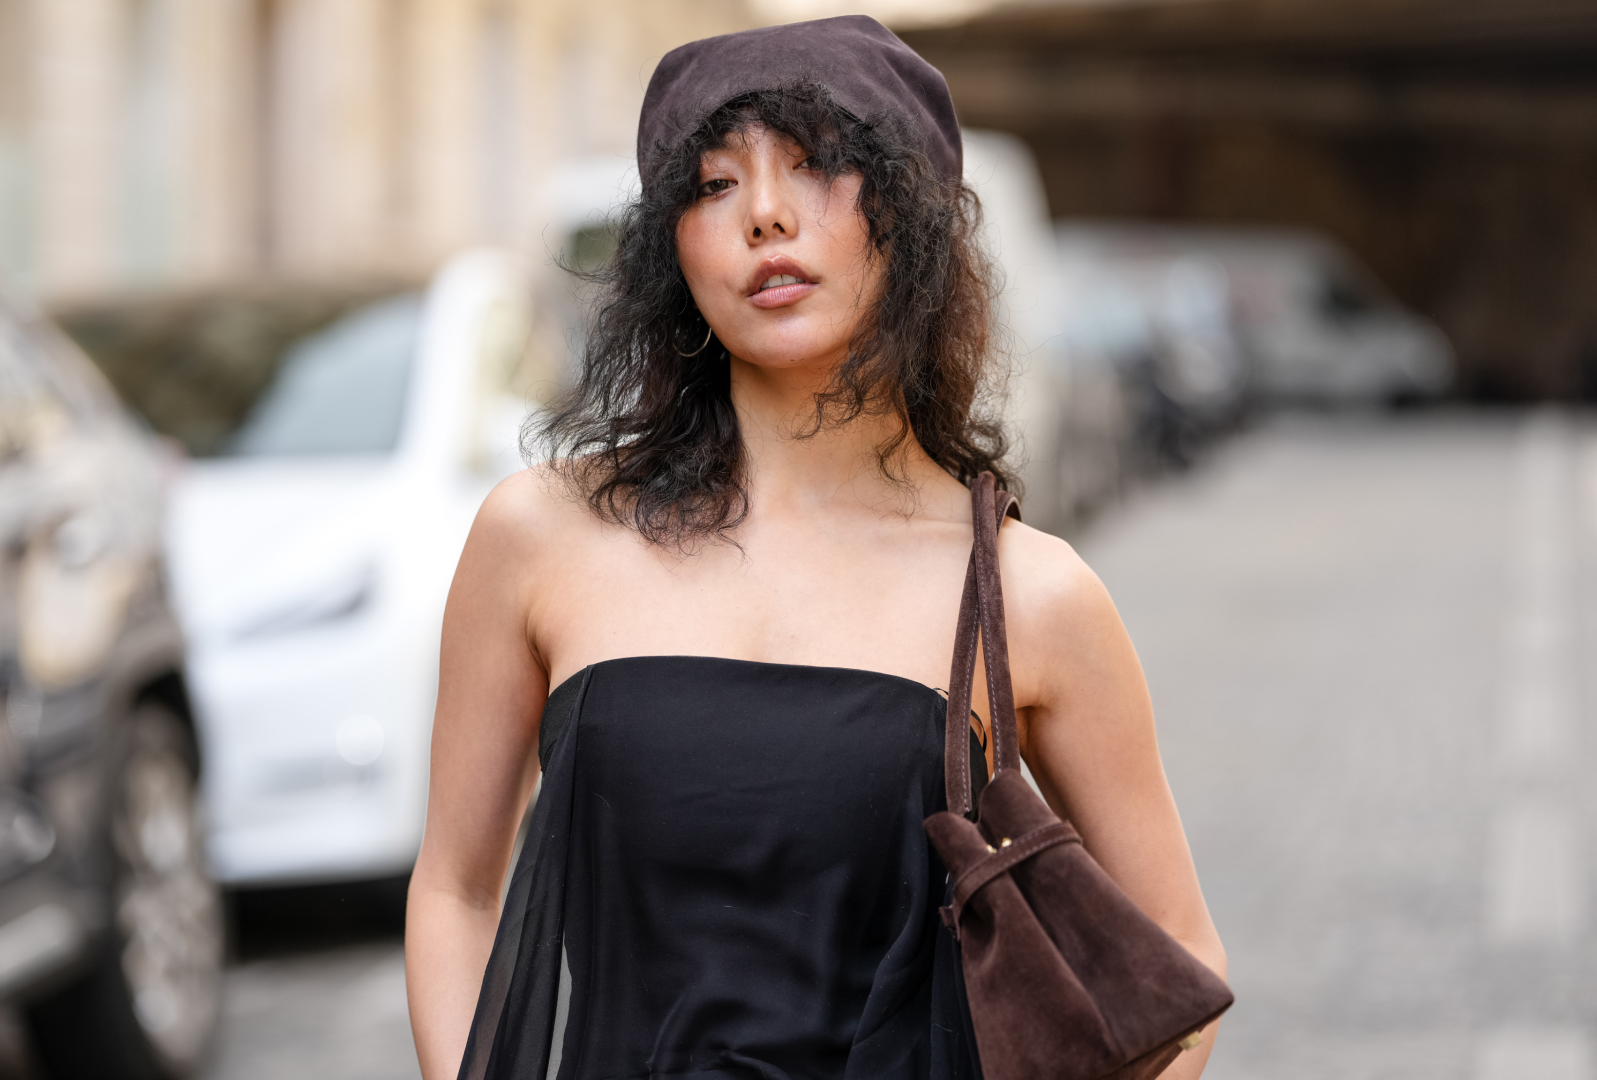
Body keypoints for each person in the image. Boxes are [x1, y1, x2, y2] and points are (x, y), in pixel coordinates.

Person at [405, 16, 1226, 1080]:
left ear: (914, 216)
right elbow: (454, 890)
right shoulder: (542, 536)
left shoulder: (1028, 595)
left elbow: (1178, 965)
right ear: (669, 250)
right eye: (711, 185)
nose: (766, 215)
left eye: (819, 165)